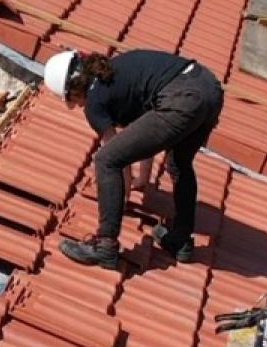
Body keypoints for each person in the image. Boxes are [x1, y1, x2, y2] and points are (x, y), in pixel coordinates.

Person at [43, 49, 224, 270]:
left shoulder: (95, 102)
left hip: (182, 99)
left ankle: (105, 246)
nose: (78, 106)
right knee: (179, 163)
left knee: (105, 160)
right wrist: (142, 180)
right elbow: (144, 133)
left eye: (73, 101)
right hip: (208, 88)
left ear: (73, 89)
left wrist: (120, 198)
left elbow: (116, 156)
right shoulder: (116, 73)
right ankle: (180, 240)